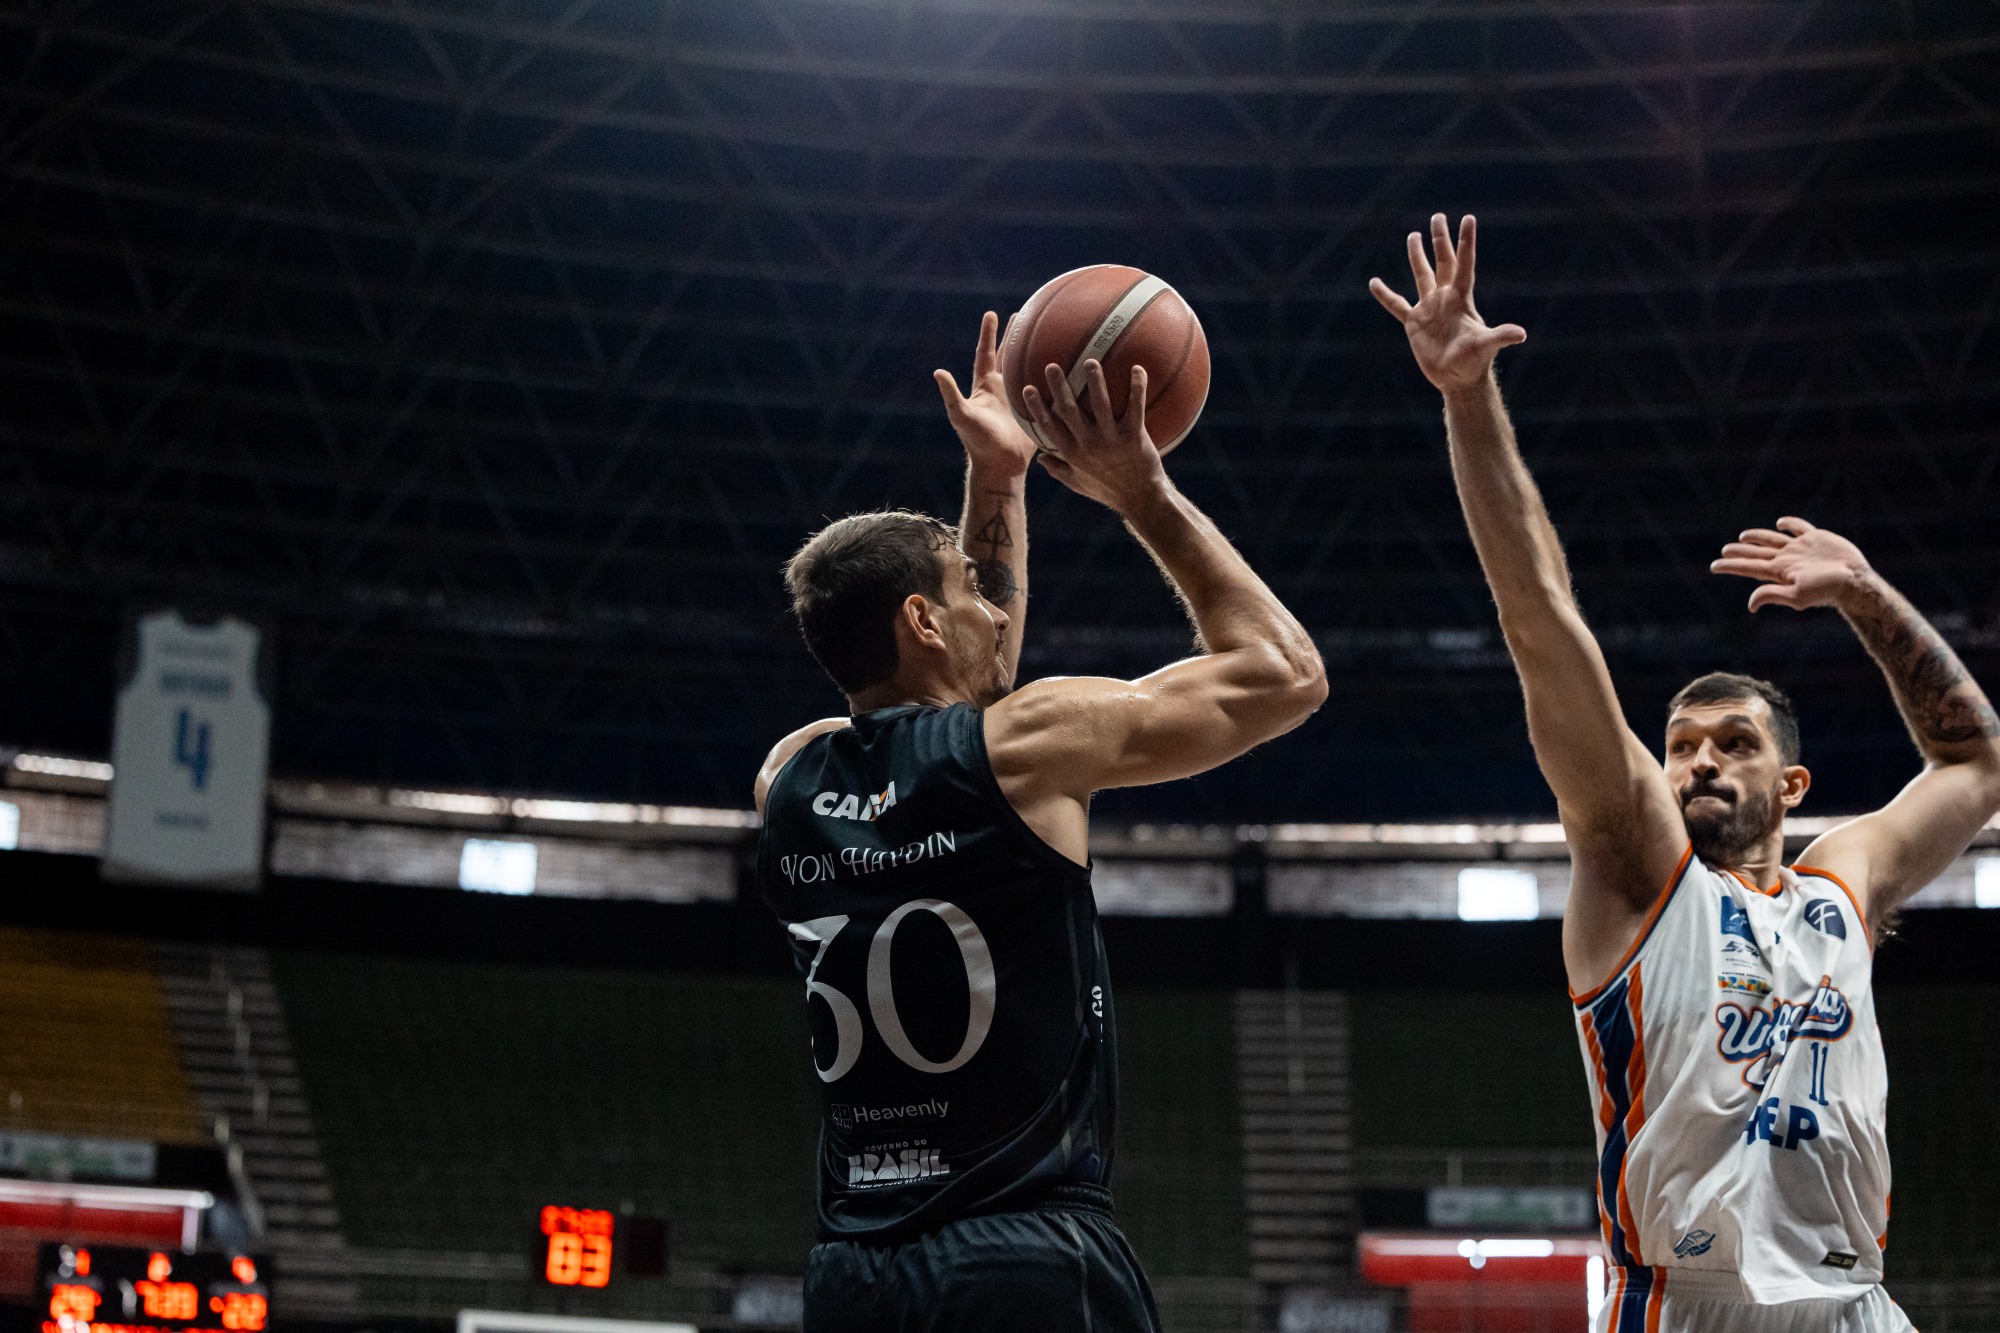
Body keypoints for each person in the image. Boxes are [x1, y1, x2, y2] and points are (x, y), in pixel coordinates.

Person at [1372, 214, 2000, 1331]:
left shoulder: (1837, 887)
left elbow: (1975, 757)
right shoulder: (1635, 871)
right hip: (1690, 1305)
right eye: (1680, 745)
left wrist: (1863, 592)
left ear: (1792, 789)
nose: (1697, 760)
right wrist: (1467, 401)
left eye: (1732, 742)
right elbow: (1539, 620)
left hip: (1859, 1303)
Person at [753, 312, 1327, 1332]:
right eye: (969, 591)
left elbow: (965, 697)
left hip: (851, 1272)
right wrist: (1140, 493)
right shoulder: (1027, 746)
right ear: (924, 621)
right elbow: (1285, 675)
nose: (990, 605)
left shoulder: (787, 777)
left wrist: (999, 476)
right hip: (1019, 1253)